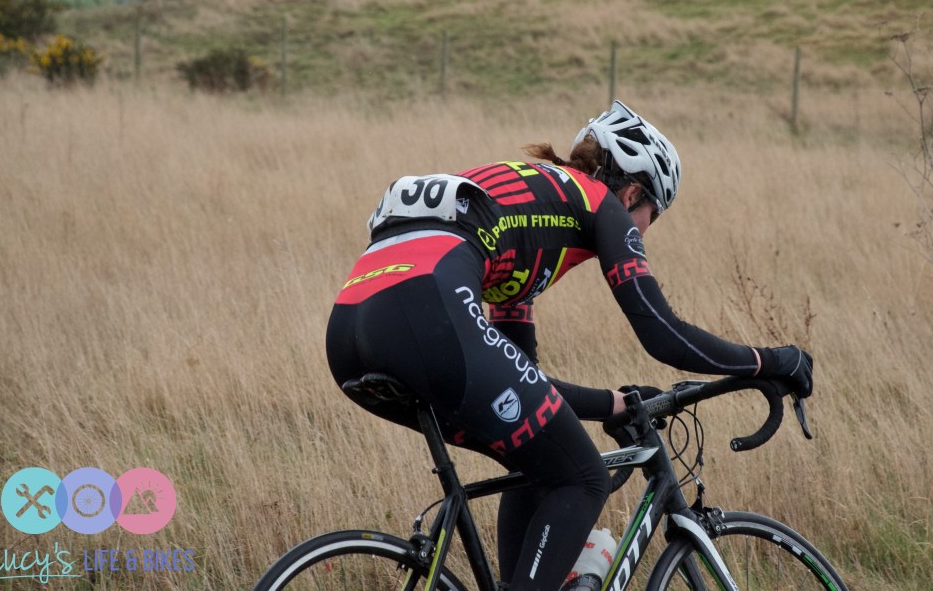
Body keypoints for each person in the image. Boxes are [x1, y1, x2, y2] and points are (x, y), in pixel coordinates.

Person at [325, 101, 815, 591]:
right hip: (429, 314)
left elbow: (521, 375)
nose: (642, 231)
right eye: (651, 216)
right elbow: (662, 334)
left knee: (539, 460)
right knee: (582, 478)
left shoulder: (533, 209)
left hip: (349, 331)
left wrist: (612, 405)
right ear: (631, 192)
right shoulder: (601, 203)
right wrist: (769, 362)